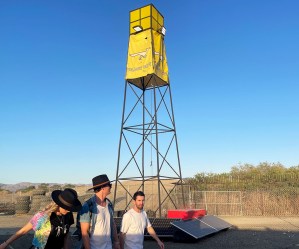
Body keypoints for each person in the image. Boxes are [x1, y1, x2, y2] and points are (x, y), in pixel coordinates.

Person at [0, 188, 82, 249]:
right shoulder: (43, 216)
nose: (68, 211)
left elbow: (66, 236)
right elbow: (23, 230)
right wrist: (6, 243)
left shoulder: (68, 216)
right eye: (66, 208)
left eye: (70, 208)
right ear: (59, 205)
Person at [79, 174, 120, 249]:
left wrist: (116, 242)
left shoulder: (109, 204)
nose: (111, 187)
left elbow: (112, 224)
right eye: (109, 185)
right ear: (103, 188)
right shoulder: (87, 206)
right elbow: (84, 233)